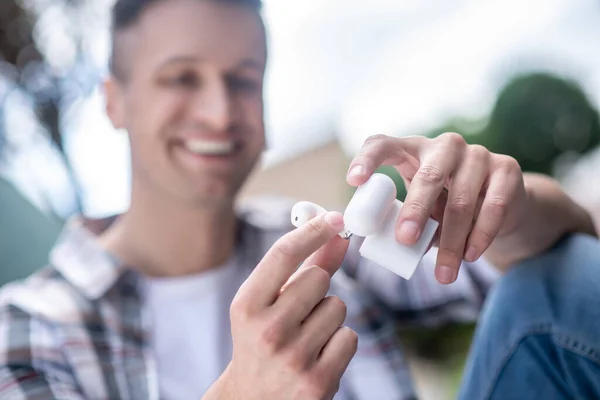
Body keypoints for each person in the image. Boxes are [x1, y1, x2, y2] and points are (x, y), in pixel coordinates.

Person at [0, 0, 597, 399]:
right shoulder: (27, 331)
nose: (218, 112)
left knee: (565, 269)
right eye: (181, 78)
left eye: (243, 79)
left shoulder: (325, 248)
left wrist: (506, 209)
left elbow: (548, 276)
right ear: (114, 102)